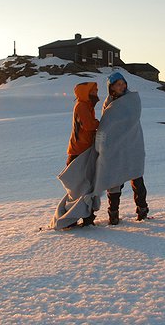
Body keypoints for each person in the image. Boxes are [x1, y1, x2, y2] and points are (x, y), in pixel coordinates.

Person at [103, 72, 149, 225]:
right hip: (115, 148)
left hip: (132, 145)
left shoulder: (132, 100)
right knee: (114, 181)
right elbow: (106, 125)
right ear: (111, 87)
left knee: (137, 179)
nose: (122, 86)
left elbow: (132, 119)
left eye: (123, 83)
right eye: (118, 84)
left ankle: (142, 211)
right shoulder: (108, 103)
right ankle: (113, 214)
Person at [65, 81, 100, 226]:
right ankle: (72, 218)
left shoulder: (86, 105)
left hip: (82, 150)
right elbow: (89, 125)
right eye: (93, 91)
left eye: (96, 90)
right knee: (79, 187)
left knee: (83, 186)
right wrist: (102, 123)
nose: (96, 93)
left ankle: (85, 216)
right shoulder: (82, 106)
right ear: (86, 93)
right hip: (79, 152)